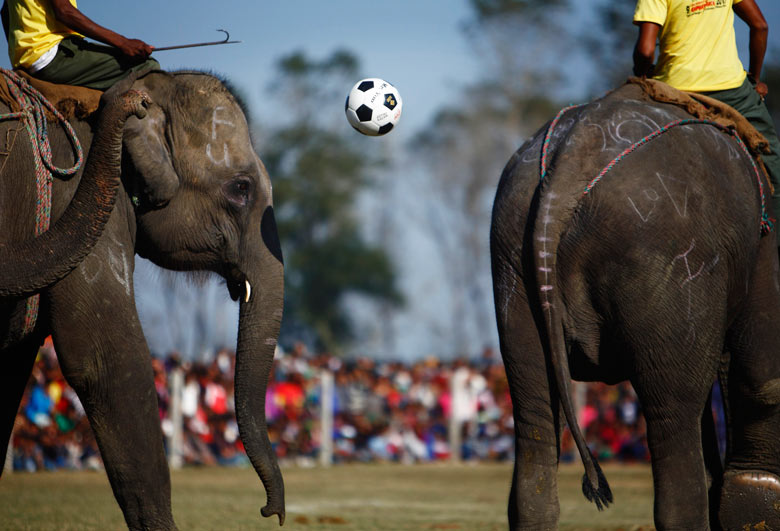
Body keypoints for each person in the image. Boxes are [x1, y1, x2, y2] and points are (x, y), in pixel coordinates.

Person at [633, 0, 780, 240]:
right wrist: (754, 79)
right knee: (772, 164)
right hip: (732, 93)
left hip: (677, 92)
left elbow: (646, 50)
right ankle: (775, 245)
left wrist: (642, 73)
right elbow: (760, 26)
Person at [1, 0, 158, 90]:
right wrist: (123, 43)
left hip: (33, 57)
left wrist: (22, 53)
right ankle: (110, 142)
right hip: (55, 54)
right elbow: (64, 12)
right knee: (147, 66)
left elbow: (5, 12)